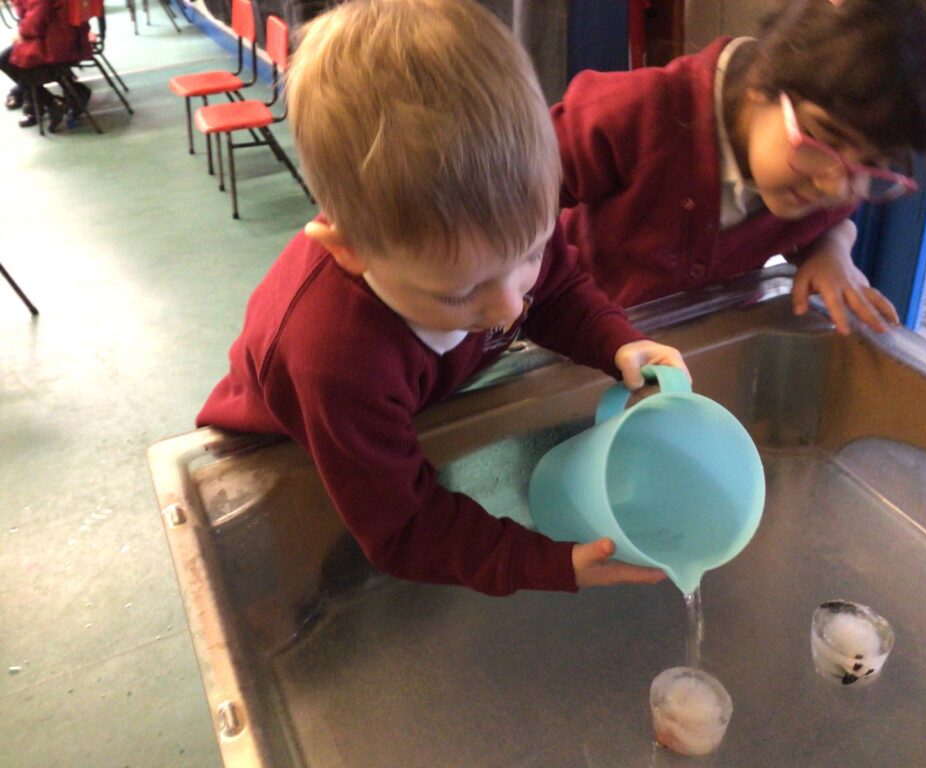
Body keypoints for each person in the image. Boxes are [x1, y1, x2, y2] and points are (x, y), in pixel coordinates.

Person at [197, 0, 688, 596]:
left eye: (530, 254)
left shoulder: (495, 235)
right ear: (350, 251)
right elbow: (403, 527)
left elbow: (557, 288)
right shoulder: (332, 358)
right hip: (298, 459)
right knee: (338, 590)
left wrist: (615, 341)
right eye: (463, 292)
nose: (510, 309)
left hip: (401, 417)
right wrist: (544, 564)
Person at [552, 0, 926, 335]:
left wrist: (830, 251)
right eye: (824, 138)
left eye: (869, 165)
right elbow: (518, 180)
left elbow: (829, 221)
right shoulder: (635, 114)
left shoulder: (821, 181)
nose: (833, 186)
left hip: (690, 355)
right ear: (764, 76)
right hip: (569, 340)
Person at [0, 0, 88, 130]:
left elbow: (38, 17)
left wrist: (21, 32)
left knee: (9, 61)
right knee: (14, 57)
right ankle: (71, 92)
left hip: (56, 41)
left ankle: (48, 102)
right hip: (65, 34)